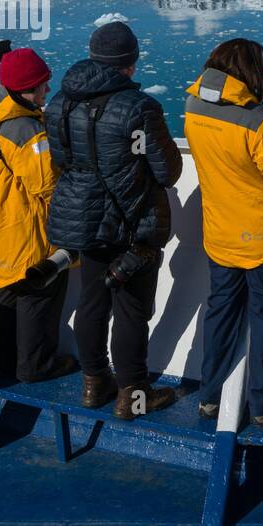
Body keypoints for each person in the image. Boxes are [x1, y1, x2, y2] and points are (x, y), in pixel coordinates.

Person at [45, 21, 183, 420]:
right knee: (131, 310)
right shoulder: (139, 107)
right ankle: (133, 395)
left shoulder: (59, 102)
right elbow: (167, 171)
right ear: (130, 63)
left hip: (84, 222)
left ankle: (93, 384)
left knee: (91, 301)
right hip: (130, 222)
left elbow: (62, 162)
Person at [185, 39, 263, 425]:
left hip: (219, 233)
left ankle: (210, 396)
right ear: (251, 71)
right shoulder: (259, 120)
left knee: (220, 312)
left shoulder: (193, 107)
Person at [0, 48, 79, 385]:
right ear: (25, 89)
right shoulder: (25, 130)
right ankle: (36, 366)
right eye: (42, 86)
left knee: (4, 293)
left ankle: (3, 364)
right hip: (26, 229)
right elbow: (47, 184)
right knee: (38, 293)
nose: (47, 91)